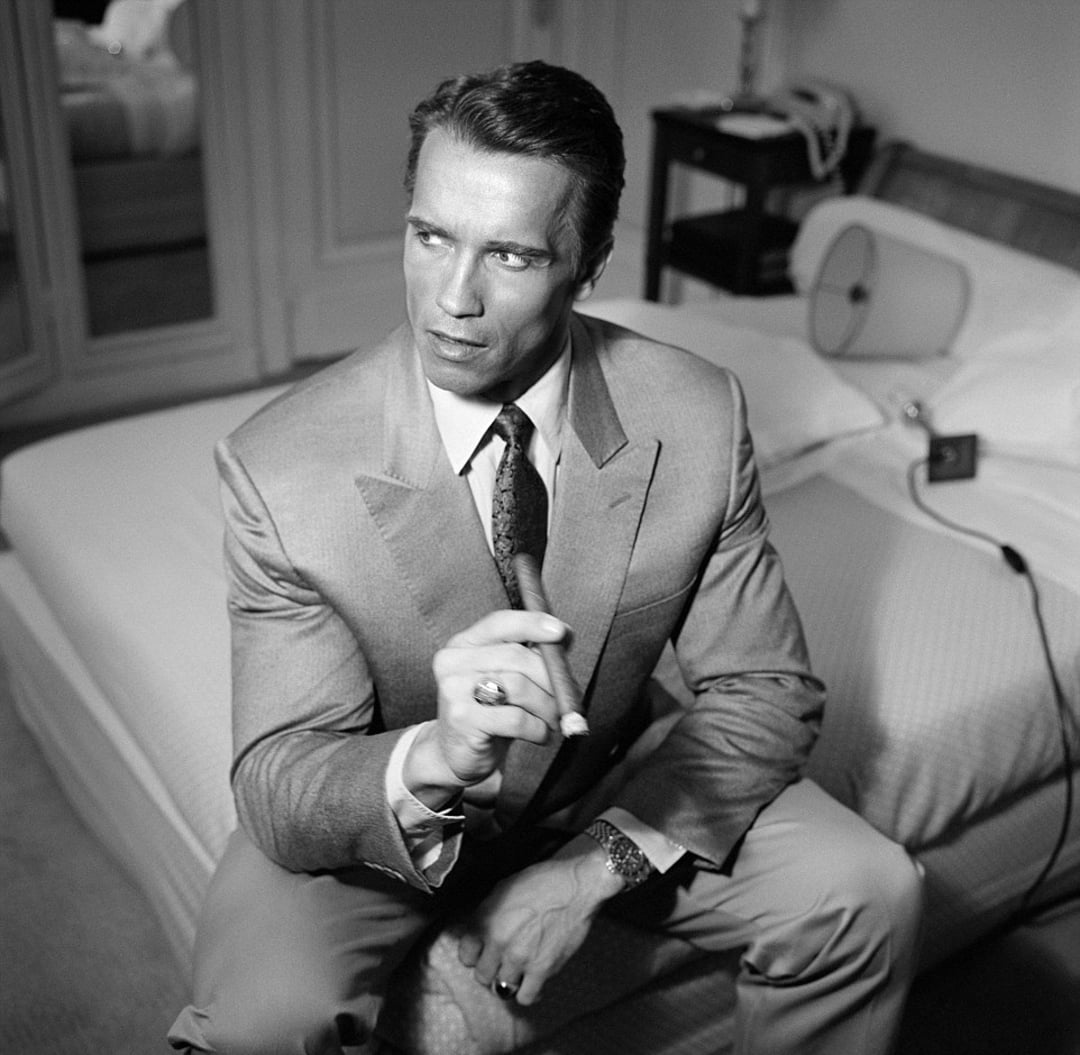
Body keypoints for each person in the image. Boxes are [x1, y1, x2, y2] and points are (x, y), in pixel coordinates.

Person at [168, 60, 922, 1055]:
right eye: (431, 236)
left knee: (870, 887)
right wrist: (436, 754)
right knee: (257, 1026)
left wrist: (593, 865)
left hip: (601, 776)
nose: (454, 298)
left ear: (591, 261)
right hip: (383, 808)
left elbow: (768, 689)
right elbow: (277, 780)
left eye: (512, 256)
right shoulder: (278, 465)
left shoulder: (696, 410)